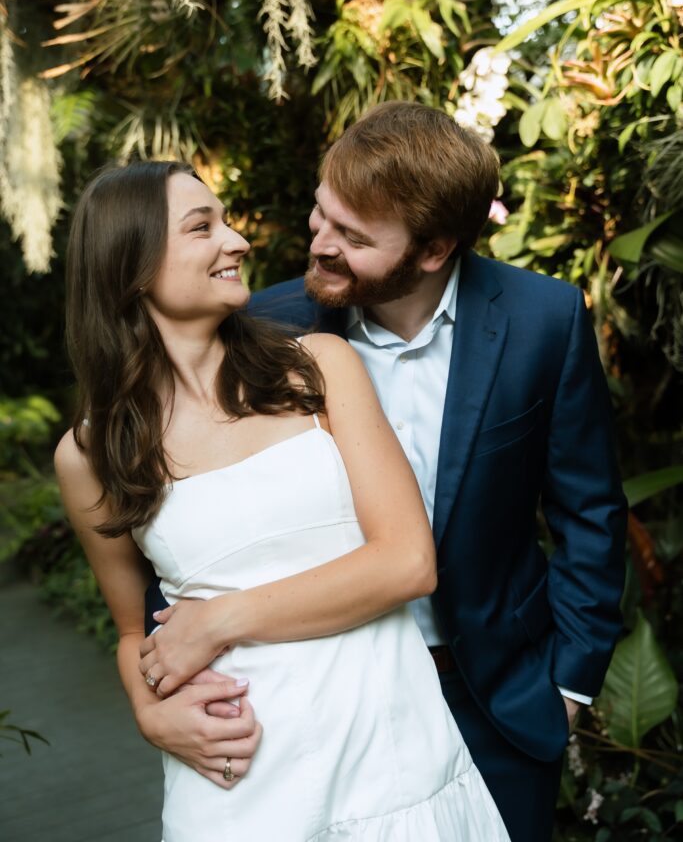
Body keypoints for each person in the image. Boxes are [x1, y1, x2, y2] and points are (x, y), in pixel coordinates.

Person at [145, 101, 627, 842]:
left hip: (498, 696)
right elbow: (189, 519)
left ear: (431, 249)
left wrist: (564, 685)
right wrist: (160, 688)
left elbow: (589, 515)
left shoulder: (543, 319)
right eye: (320, 215)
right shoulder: (264, 330)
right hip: (316, 707)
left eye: (352, 236)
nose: (320, 245)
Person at [55, 160, 511, 842]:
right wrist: (149, 714)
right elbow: (132, 630)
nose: (236, 241)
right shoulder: (89, 454)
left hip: (387, 753)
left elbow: (408, 564)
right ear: (134, 263)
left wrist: (218, 622)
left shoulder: (318, 366)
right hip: (236, 777)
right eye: (203, 227)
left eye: (228, 221)